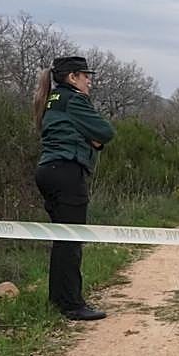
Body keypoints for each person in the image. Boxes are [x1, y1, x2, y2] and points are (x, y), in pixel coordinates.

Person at [31, 55, 116, 321]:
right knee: (71, 241)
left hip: (48, 170)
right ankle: (72, 305)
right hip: (67, 172)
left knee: (62, 240)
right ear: (72, 77)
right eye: (85, 75)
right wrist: (94, 141)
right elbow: (105, 132)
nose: (89, 80)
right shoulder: (75, 99)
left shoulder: (53, 99)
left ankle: (58, 299)